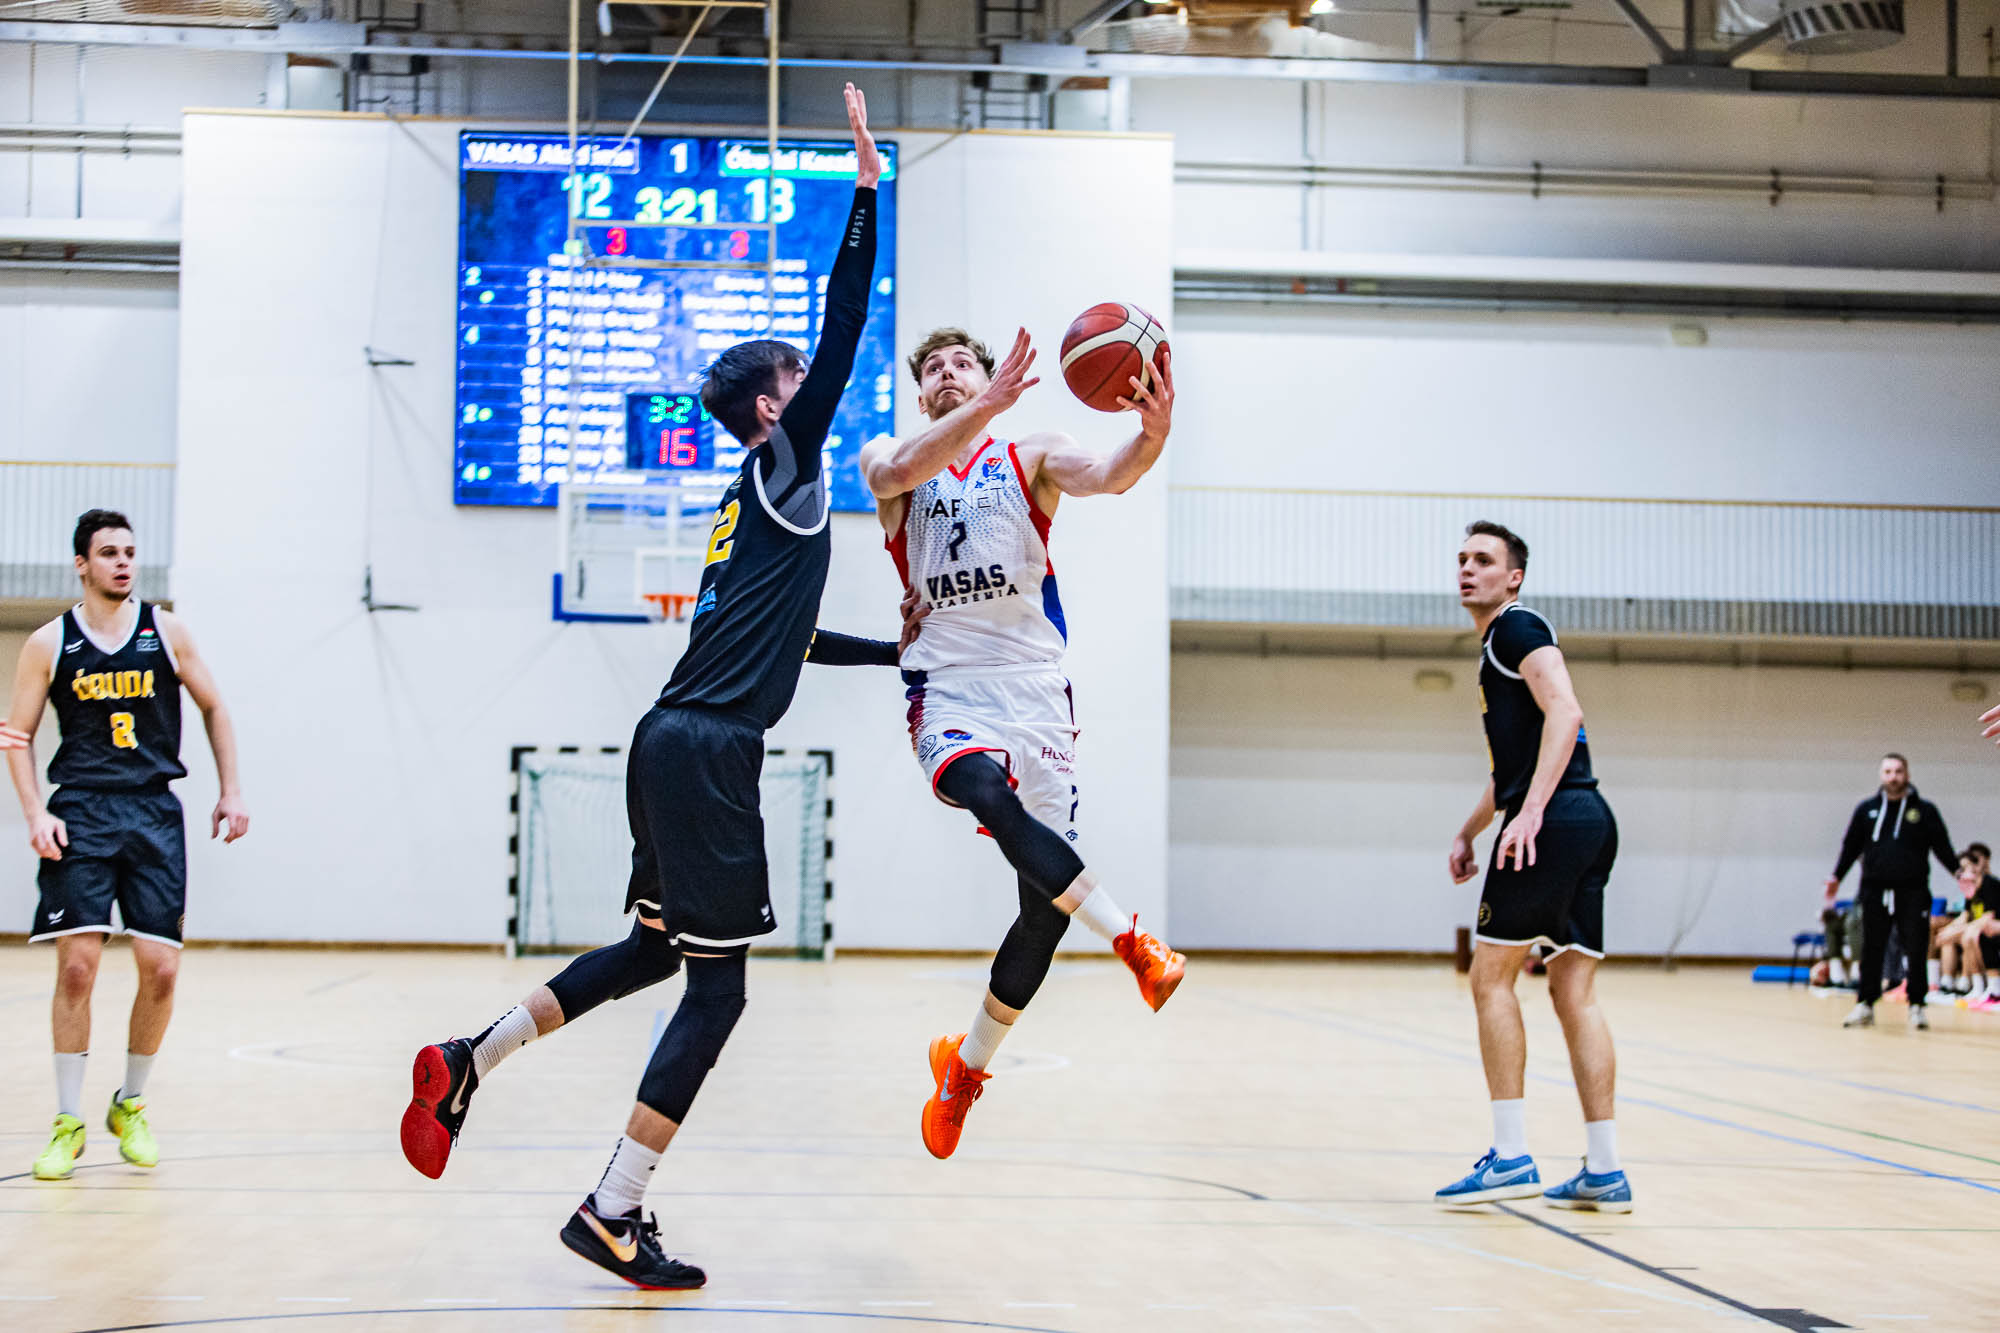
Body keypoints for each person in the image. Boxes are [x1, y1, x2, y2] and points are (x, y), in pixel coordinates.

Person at [399, 85, 892, 1291]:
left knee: (653, 951)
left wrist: (896, 654)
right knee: (716, 999)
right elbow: (841, 328)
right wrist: (864, 193)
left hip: (668, 735)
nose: (815, 383)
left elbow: (789, 644)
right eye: (798, 378)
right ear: (773, 407)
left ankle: (469, 1057)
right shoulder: (783, 462)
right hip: (709, 750)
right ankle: (612, 1208)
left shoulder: (748, 509)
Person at [858, 324, 1183, 1161]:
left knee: (1042, 913)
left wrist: (1150, 435)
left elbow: (1109, 475)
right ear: (921, 393)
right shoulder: (891, 458)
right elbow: (892, 476)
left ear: (985, 374)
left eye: (961, 363)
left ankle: (964, 1067)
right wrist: (984, 408)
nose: (947, 373)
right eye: (933, 369)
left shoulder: (1031, 449)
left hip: (1037, 692)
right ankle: (1131, 939)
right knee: (986, 795)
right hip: (948, 687)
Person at [5, 509, 250, 1181]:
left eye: (130, 552)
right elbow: (15, 735)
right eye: (109, 552)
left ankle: (130, 1103)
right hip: (80, 812)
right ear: (81, 564)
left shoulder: (166, 632)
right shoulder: (50, 643)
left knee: (161, 969)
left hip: (152, 812)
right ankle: (67, 1121)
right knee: (78, 969)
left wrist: (230, 790)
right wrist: (34, 813)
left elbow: (215, 705)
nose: (122, 562)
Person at [1436, 520, 1630, 1213]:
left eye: (1483, 560)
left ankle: (1511, 1155)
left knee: (1491, 979)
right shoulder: (1501, 645)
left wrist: (1530, 813)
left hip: (1554, 821)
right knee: (1574, 990)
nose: (1467, 569)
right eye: (1462, 558)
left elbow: (1566, 712)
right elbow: (1511, 770)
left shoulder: (1517, 628)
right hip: (1587, 818)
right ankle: (1604, 1168)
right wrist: (1471, 830)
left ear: (1513, 576)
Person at [1825, 754, 1956, 1030]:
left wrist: (1957, 872)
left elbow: (1942, 846)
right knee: (1871, 949)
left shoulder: (1924, 810)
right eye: (1888, 771)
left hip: (1913, 892)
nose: (1893, 777)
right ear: (1881, 775)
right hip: (1874, 891)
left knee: (1916, 948)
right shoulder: (1867, 810)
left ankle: (1917, 1006)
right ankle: (1865, 1004)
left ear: (1907, 774)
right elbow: (1850, 846)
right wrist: (1837, 876)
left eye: (1898, 771)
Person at [1938, 846, 2000, 1007]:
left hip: (1990, 928)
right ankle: (1950, 984)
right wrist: (1948, 930)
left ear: (1976, 866)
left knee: (1972, 935)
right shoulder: (1971, 889)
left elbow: (1987, 918)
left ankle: (1986, 987)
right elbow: (1965, 916)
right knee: (1950, 937)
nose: (1962, 871)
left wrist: (1957, 931)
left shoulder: (1989, 884)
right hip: (1982, 928)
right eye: (1960, 868)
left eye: (1965, 867)